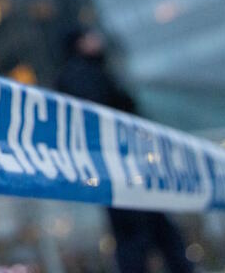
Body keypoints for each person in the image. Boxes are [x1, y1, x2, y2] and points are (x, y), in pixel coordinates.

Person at [57, 29, 193, 273]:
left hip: (127, 166)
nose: (97, 40)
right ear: (79, 43)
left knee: (155, 229)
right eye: (89, 37)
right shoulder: (81, 75)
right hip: (118, 167)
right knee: (136, 233)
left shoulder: (95, 72)